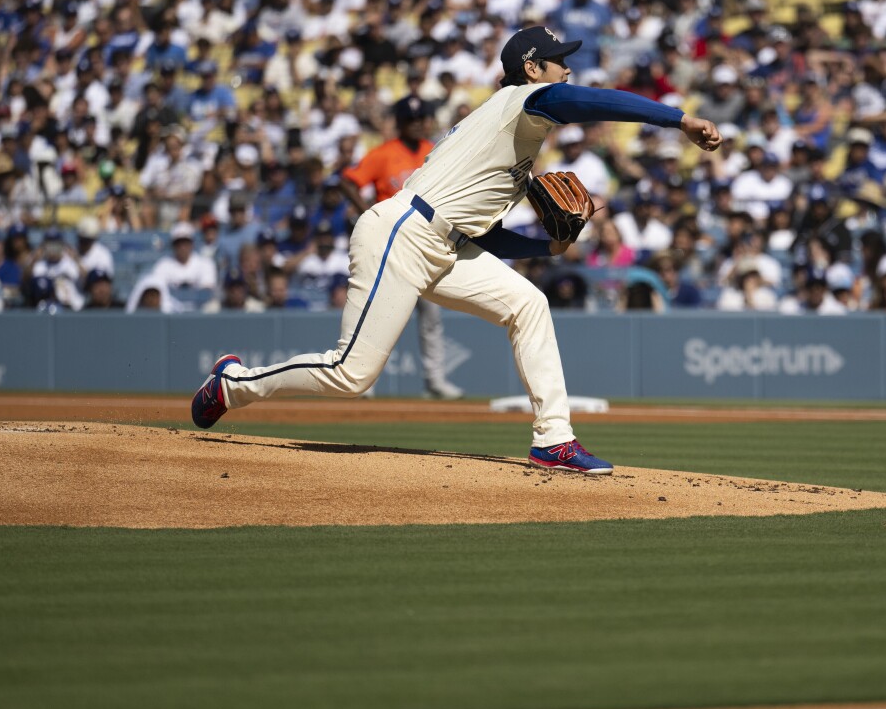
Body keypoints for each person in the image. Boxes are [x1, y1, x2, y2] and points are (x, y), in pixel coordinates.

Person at [192, 27, 723, 475]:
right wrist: (677, 120)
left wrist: (546, 246)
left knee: (529, 305)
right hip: (401, 233)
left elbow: (482, 234)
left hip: (444, 242)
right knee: (352, 373)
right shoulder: (523, 100)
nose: (568, 70)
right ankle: (232, 384)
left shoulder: (509, 141)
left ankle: (553, 440)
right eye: (560, 62)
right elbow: (587, 102)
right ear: (533, 68)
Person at [339, 96, 464, 400]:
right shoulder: (383, 154)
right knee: (377, 313)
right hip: (389, 242)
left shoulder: (434, 151)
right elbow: (347, 182)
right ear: (400, 122)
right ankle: (360, 379)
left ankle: (435, 381)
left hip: (425, 245)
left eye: (421, 118)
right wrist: (367, 210)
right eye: (412, 119)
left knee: (431, 317)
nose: (418, 123)